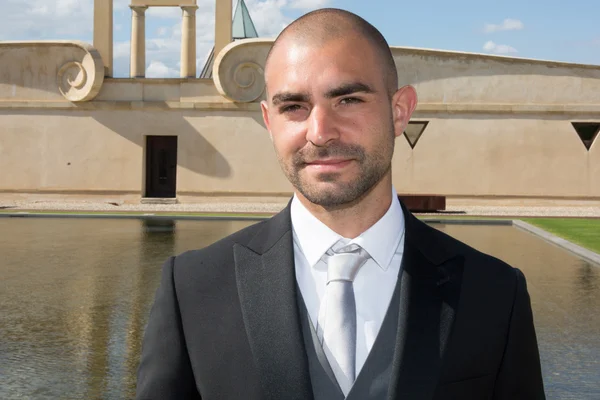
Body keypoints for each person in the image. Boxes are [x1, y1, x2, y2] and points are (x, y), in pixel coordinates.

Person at [135, 8, 546, 400]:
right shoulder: (192, 290)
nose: (320, 132)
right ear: (268, 120)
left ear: (399, 111)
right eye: (293, 107)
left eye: (347, 100)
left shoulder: (494, 294)